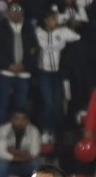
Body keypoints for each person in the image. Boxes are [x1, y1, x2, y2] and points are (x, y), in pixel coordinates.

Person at [34, 10, 80, 145]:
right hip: (44, 72)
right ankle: (46, 130)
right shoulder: (38, 32)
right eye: (53, 18)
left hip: (58, 72)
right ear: (46, 20)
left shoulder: (62, 31)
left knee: (57, 103)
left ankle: (54, 131)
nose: (56, 21)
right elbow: (43, 46)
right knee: (48, 102)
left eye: (56, 18)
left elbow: (77, 37)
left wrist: (69, 27)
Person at [0, 2, 35, 126]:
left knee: (21, 104)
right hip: (5, 71)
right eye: (13, 9)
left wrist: (24, 65)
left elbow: (34, 50)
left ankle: (19, 131)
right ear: (8, 12)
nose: (16, 12)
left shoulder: (28, 28)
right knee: (3, 102)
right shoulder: (0, 27)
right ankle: (0, 130)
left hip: (23, 72)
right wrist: (8, 65)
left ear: (23, 11)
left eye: (19, 9)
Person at [0, 109, 41, 177]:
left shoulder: (33, 130)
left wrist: (13, 151)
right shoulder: (4, 129)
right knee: (1, 163)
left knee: (35, 163)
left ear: (27, 120)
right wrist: (20, 156)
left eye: (23, 119)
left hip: (25, 164)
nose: (20, 122)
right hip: (9, 164)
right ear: (12, 119)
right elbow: (1, 153)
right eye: (17, 118)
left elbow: (34, 153)